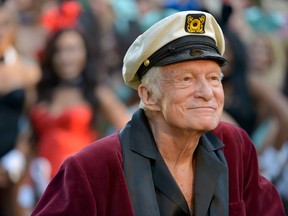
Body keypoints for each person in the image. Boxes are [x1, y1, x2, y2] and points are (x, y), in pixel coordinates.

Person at [31, 10, 285, 216]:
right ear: (148, 96)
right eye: (186, 79)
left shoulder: (235, 146)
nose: (207, 92)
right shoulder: (92, 168)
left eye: (213, 78)